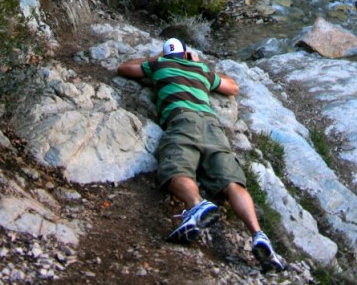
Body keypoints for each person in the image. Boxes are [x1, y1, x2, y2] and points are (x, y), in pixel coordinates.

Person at [117, 37, 287, 272]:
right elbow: (232, 87)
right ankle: (258, 234)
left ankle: (196, 205)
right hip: (212, 126)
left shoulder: (159, 65)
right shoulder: (200, 70)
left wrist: (156, 58)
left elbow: (125, 68)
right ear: (186, 55)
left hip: (181, 119)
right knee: (232, 182)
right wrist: (200, 65)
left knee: (176, 167)